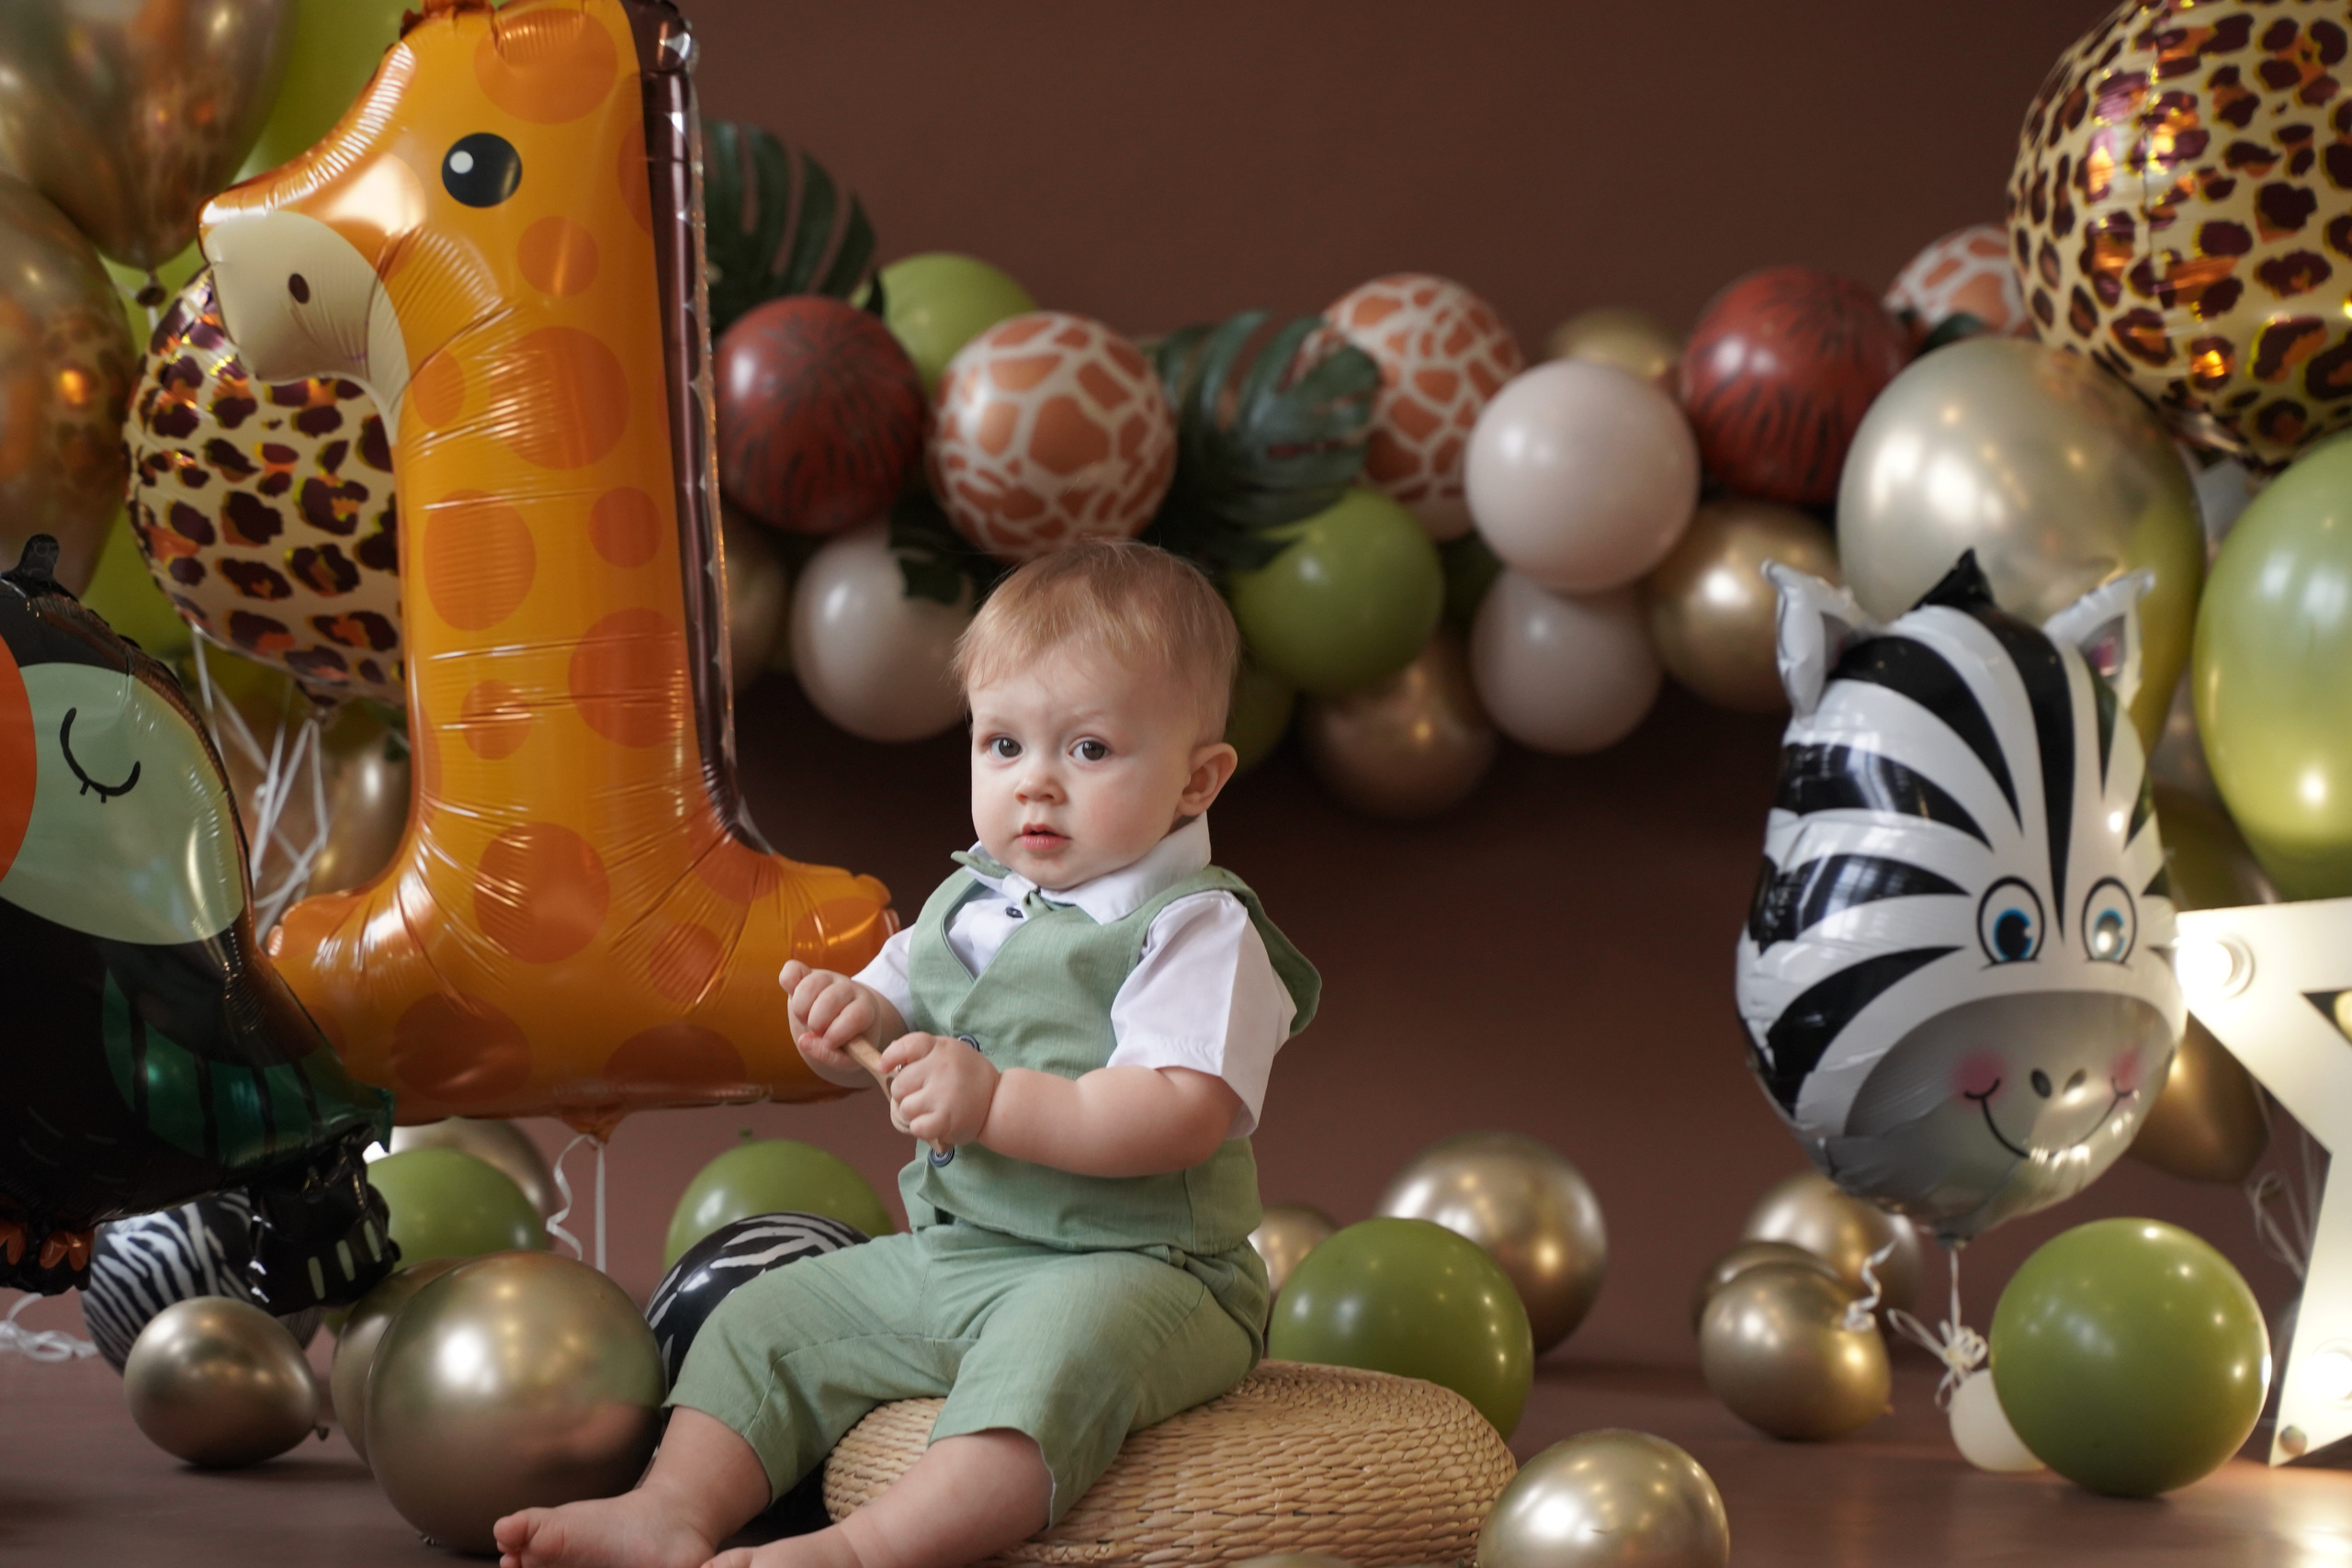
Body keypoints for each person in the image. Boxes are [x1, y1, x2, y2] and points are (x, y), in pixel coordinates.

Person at [495, 538, 1320, 1568]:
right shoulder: (968, 904)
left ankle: (866, 1550)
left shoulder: (1191, 929)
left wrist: (990, 1103)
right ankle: (668, 1510)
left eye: (1090, 751)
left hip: (1143, 1270)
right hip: (962, 1251)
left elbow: (1175, 1113)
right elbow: (889, 1025)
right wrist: (848, 1024)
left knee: (1047, 1368)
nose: (1037, 788)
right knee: (768, 1317)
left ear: (1198, 781)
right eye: (1003, 746)